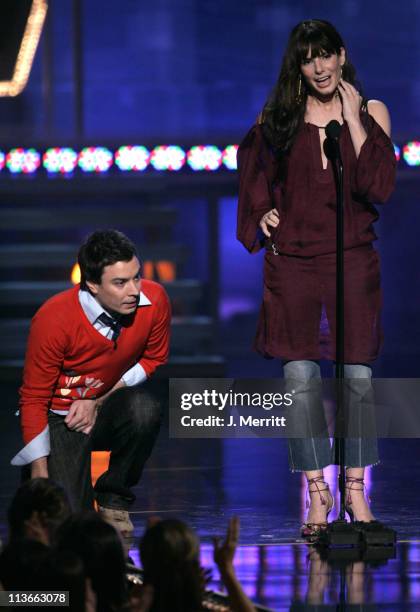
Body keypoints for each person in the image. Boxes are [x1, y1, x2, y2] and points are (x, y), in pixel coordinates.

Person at [236, 20, 396, 536]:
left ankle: (355, 490)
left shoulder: (372, 112)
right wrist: (261, 210)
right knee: (301, 379)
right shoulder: (279, 117)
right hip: (296, 259)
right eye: (309, 59)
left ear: (342, 56)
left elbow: (378, 184)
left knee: (358, 378)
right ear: (298, 66)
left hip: (352, 257)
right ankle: (317, 493)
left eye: (326, 55)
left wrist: (352, 119)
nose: (320, 67)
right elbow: (253, 167)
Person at [11, 229, 171, 536]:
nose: (134, 290)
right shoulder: (54, 319)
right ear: (92, 284)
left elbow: (153, 359)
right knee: (73, 525)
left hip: (104, 406)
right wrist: (39, 475)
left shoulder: (155, 300)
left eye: (137, 277)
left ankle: (114, 502)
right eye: (120, 283)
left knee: (144, 409)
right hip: (60, 419)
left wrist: (96, 401)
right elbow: (33, 398)